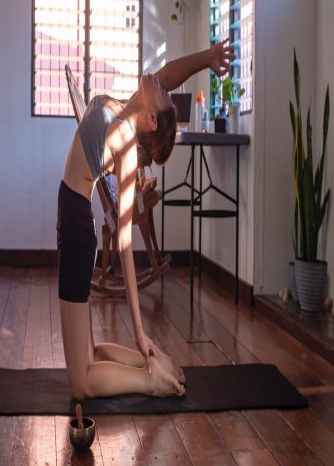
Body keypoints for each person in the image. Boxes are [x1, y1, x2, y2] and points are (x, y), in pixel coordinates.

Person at [57, 40, 235, 399]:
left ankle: (150, 381)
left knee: (80, 383)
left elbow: (124, 241)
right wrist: (205, 58)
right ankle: (152, 362)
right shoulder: (124, 111)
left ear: (151, 119)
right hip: (72, 222)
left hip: (77, 230)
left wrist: (138, 329)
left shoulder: (124, 140)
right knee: (88, 355)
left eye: (162, 93)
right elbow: (167, 73)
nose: (158, 81)